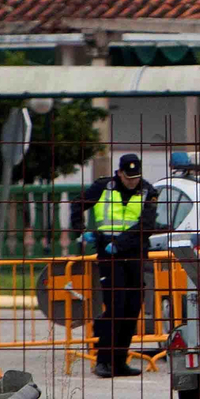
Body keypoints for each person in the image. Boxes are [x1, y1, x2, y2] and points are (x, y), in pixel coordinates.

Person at [71, 153, 160, 379]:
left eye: (136, 177)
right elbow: (77, 204)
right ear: (119, 173)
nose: (132, 181)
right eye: (128, 177)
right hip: (109, 257)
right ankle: (104, 361)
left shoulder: (148, 191)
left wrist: (119, 244)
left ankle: (120, 361)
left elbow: (146, 225)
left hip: (134, 254)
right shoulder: (103, 187)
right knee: (115, 307)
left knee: (132, 308)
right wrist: (81, 232)